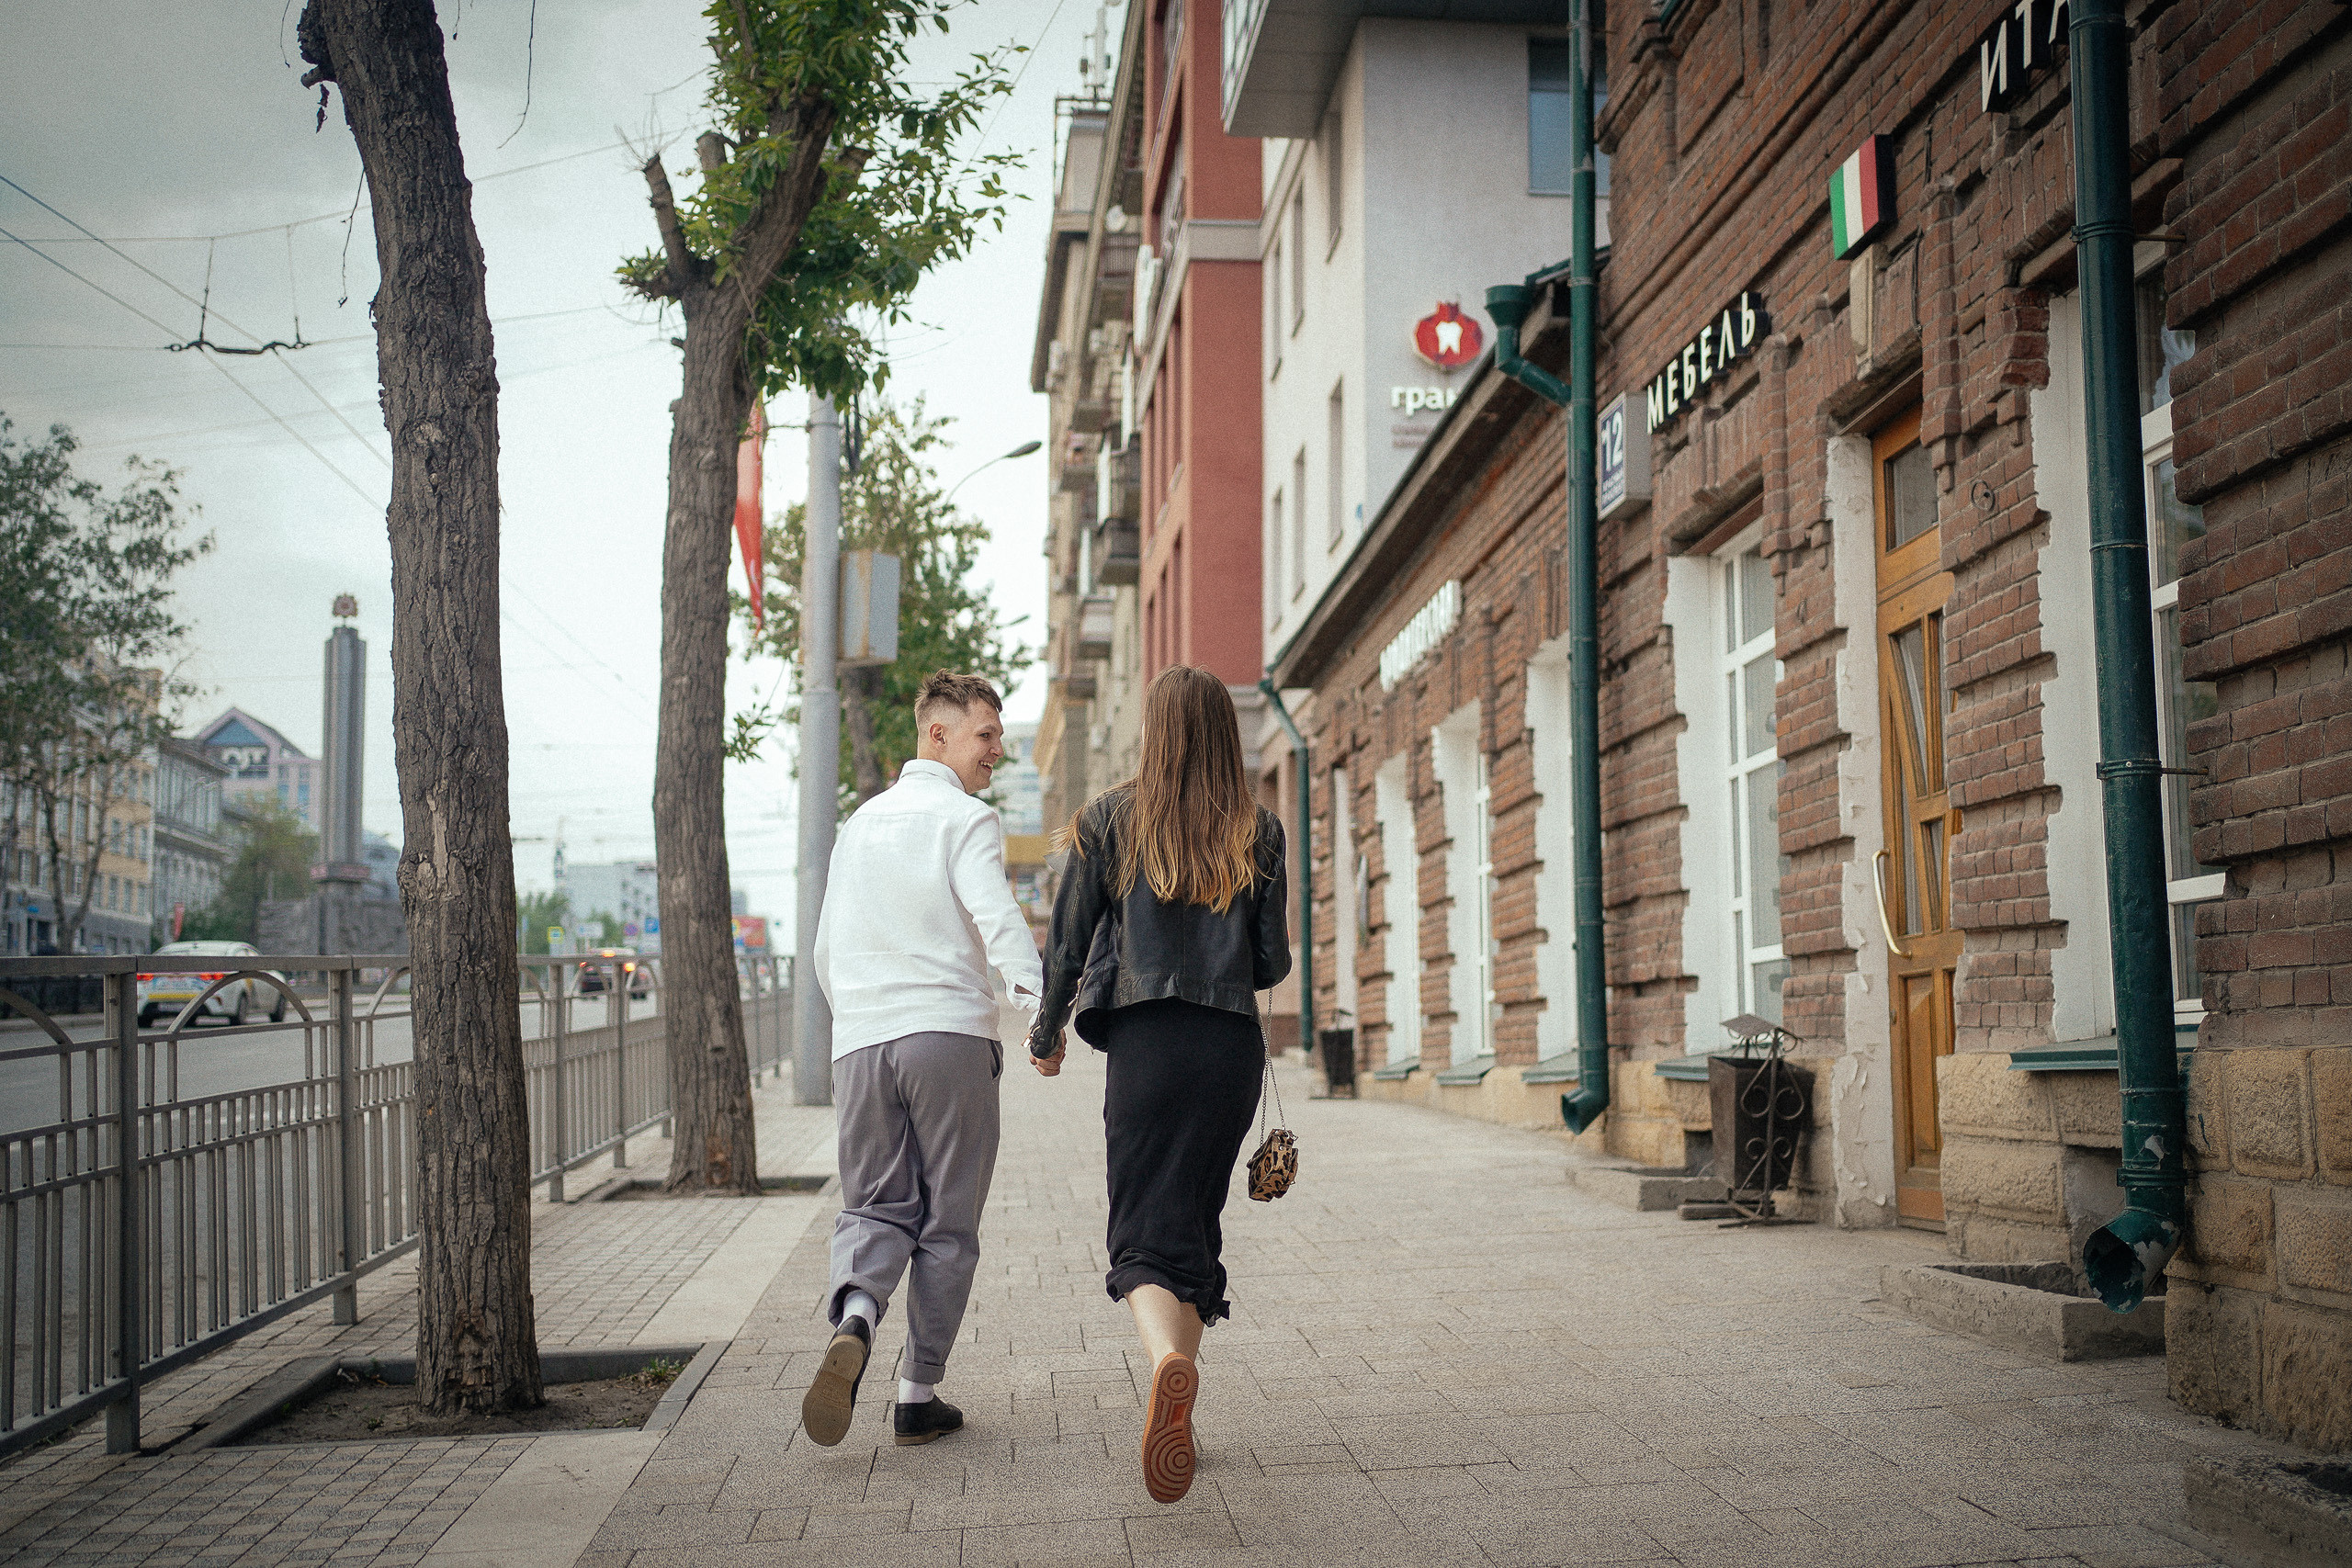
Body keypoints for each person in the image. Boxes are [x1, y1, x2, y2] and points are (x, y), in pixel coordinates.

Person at [1027, 665, 1291, 1504]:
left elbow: (1066, 945)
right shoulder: (1261, 829)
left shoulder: (1108, 820)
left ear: (1155, 730)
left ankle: (1168, 1363)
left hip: (1145, 1045)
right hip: (1226, 1050)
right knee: (1194, 1221)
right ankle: (1182, 1401)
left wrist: (1046, 1035)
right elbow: (1271, 963)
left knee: (1140, 1229)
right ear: (1225, 732)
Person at [803, 671, 1041, 1449]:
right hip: (946, 1036)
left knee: (873, 1204)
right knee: (948, 1220)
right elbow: (996, 915)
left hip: (862, 1042)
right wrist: (1041, 1012)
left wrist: (858, 1022)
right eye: (987, 734)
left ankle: (857, 1317)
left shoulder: (859, 823)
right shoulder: (967, 818)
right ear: (937, 734)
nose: (997, 751)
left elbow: (825, 946)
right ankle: (916, 1393)